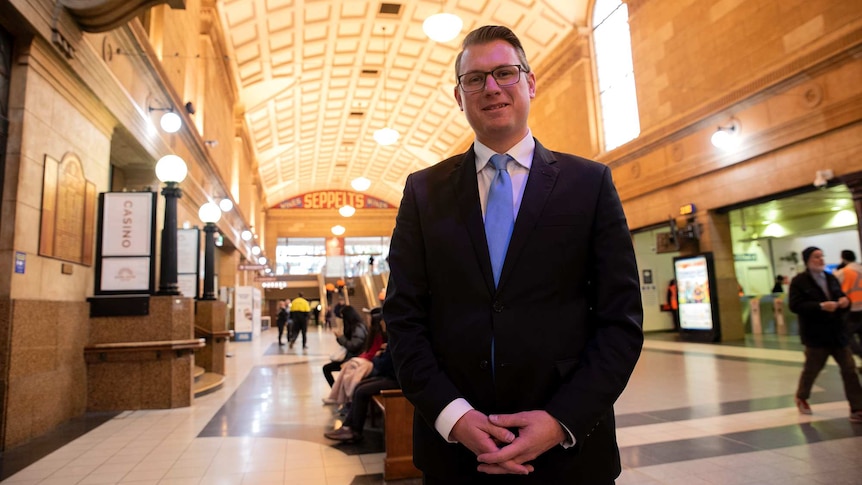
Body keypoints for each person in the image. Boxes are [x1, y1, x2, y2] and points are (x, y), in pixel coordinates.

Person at [383, 25, 644, 484]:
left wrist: (561, 420)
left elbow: (620, 321)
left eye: (505, 72)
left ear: (530, 82)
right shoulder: (423, 192)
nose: (491, 88)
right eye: (474, 79)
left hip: (569, 453)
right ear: (459, 96)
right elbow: (404, 318)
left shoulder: (589, 184)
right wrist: (453, 416)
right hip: (457, 455)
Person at [788, 246, 862, 422]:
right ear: (807, 260)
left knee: (849, 369)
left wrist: (845, 301)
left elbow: (840, 295)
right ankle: (802, 396)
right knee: (812, 369)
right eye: (816, 257)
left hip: (837, 333)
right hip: (816, 336)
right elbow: (795, 306)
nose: (820, 260)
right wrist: (820, 306)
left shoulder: (830, 278)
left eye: (821, 256)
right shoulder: (799, 281)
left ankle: (857, 408)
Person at [324, 341, 399, 442]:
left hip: (396, 380)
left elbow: (383, 365)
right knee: (358, 386)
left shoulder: (396, 338)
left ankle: (355, 431)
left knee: (362, 391)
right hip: (390, 376)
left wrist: (378, 356)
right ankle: (347, 427)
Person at [323, 309, 386, 405]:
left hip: (366, 359)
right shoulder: (372, 332)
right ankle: (339, 397)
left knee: (351, 374)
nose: (367, 319)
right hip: (363, 358)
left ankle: (344, 400)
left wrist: (341, 338)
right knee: (347, 370)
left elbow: (355, 346)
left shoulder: (361, 329)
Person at [322, 305, 367, 387]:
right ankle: (335, 391)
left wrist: (341, 338)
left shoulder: (358, 328)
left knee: (327, 369)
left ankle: (336, 392)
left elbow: (354, 345)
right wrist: (340, 338)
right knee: (326, 368)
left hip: (355, 357)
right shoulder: (354, 326)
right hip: (351, 356)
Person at [834, 250, 862, 366]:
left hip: (851, 310)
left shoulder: (843, 272)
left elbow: (833, 286)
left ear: (843, 258)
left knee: (846, 336)